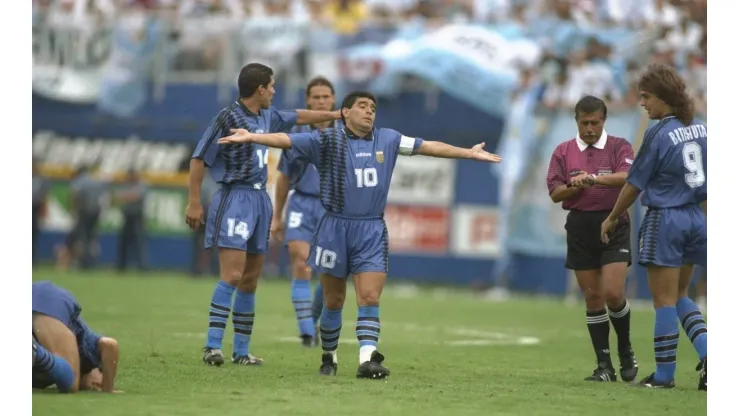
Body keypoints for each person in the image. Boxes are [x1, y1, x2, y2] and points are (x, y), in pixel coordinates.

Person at [217, 91, 502, 379]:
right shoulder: (327, 141)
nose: (369, 112)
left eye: (373, 108)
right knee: (333, 301)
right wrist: (252, 137)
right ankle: (329, 354)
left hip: (371, 230)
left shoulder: (388, 139)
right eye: (362, 106)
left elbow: (429, 146)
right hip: (334, 229)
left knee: (368, 296)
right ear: (345, 112)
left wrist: (468, 152)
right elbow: (287, 140)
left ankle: (368, 359)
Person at [185, 63, 341, 367]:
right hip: (235, 197)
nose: (274, 91)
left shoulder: (269, 116)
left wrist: (336, 115)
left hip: (260, 198)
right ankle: (212, 346)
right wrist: (194, 202)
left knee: (250, 279)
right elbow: (198, 158)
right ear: (260, 89)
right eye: (271, 86)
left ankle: (241, 351)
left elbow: (301, 115)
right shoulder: (228, 116)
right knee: (232, 274)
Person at [601, 64, 707, 390]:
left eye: (646, 97)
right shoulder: (702, 128)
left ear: (663, 97)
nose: (643, 103)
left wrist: (612, 216)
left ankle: (663, 377)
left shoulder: (659, 133)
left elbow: (634, 184)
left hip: (666, 218)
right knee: (680, 295)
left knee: (663, 300)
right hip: (696, 217)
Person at [546, 95, 638, 383]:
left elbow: (628, 177)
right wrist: (573, 186)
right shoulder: (563, 151)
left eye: (594, 123)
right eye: (584, 123)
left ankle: (625, 348)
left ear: (604, 121)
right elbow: (554, 193)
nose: (589, 129)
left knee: (613, 292)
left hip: (613, 224)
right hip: (580, 228)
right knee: (593, 298)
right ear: (576, 121)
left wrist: (595, 178)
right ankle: (604, 366)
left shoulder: (619, 146)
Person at [272, 76, 339, 347]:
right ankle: (307, 332)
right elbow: (283, 178)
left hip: (333, 210)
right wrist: (277, 216)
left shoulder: (347, 135)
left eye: (326, 97)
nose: (322, 101)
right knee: (302, 263)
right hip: (301, 204)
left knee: (329, 272)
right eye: (316, 97)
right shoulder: (296, 138)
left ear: (333, 100)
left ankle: (312, 319)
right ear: (308, 101)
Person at [32, 281, 120, 393]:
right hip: (47, 300)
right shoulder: (89, 352)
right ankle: (35, 350)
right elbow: (110, 345)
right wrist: (108, 389)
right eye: (100, 382)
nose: (96, 385)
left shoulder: (49, 374)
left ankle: (35, 349)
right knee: (71, 383)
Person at [115, 169, 149, 272]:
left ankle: (142, 266)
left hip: (137, 216)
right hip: (127, 216)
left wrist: (124, 196)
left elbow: (136, 196)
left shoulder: (142, 184)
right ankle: (121, 266)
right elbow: (116, 196)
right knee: (123, 242)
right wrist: (125, 195)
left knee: (139, 242)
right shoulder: (126, 185)